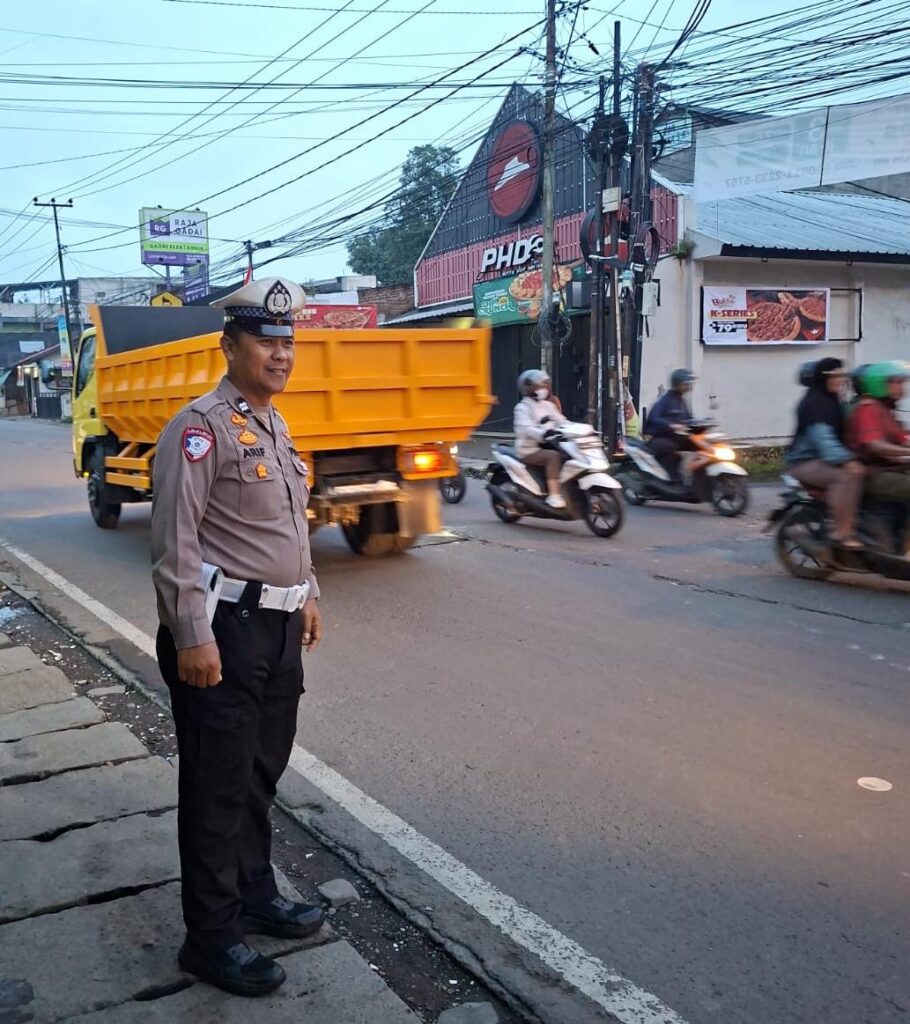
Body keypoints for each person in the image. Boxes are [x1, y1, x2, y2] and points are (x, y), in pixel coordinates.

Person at [151, 277, 324, 998]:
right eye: (267, 340)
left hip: (278, 630)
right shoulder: (199, 427)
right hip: (223, 632)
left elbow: (288, 523)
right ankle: (211, 937)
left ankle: (255, 893)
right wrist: (192, 635)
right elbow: (175, 543)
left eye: (288, 342)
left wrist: (310, 590)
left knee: (259, 777)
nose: (281, 354)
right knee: (216, 788)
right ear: (230, 346)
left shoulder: (275, 425)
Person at [786, 357, 864, 549]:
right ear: (823, 378)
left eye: (841, 375)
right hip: (804, 462)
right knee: (846, 476)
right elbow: (824, 442)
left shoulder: (834, 400)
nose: (840, 380)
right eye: (834, 376)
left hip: (820, 458)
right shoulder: (815, 404)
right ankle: (842, 531)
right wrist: (848, 460)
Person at [847, 360, 910, 550]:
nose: (901, 387)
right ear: (878, 383)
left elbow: (903, 438)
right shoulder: (868, 408)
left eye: (901, 382)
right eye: (895, 382)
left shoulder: (886, 408)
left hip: (889, 468)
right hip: (872, 473)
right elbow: (875, 445)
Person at [513, 368, 568, 508]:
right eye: (539, 385)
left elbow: (562, 421)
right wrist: (542, 434)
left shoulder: (549, 405)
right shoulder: (522, 408)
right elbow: (526, 429)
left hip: (551, 443)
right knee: (553, 457)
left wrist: (580, 429)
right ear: (528, 388)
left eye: (545, 385)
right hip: (529, 449)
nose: (543, 388)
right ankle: (554, 495)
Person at [643, 369, 697, 479]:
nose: (688, 386)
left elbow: (689, 420)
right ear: (677, 384)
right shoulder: (665, 400)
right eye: (685, 383)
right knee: (673, 449)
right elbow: (653, 418)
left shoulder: (681, 400)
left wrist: (702, 423)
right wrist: (671, 425)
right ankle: (672, 479)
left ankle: (696, 478)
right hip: (659, 438)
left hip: (676, 437)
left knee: (697, 445)